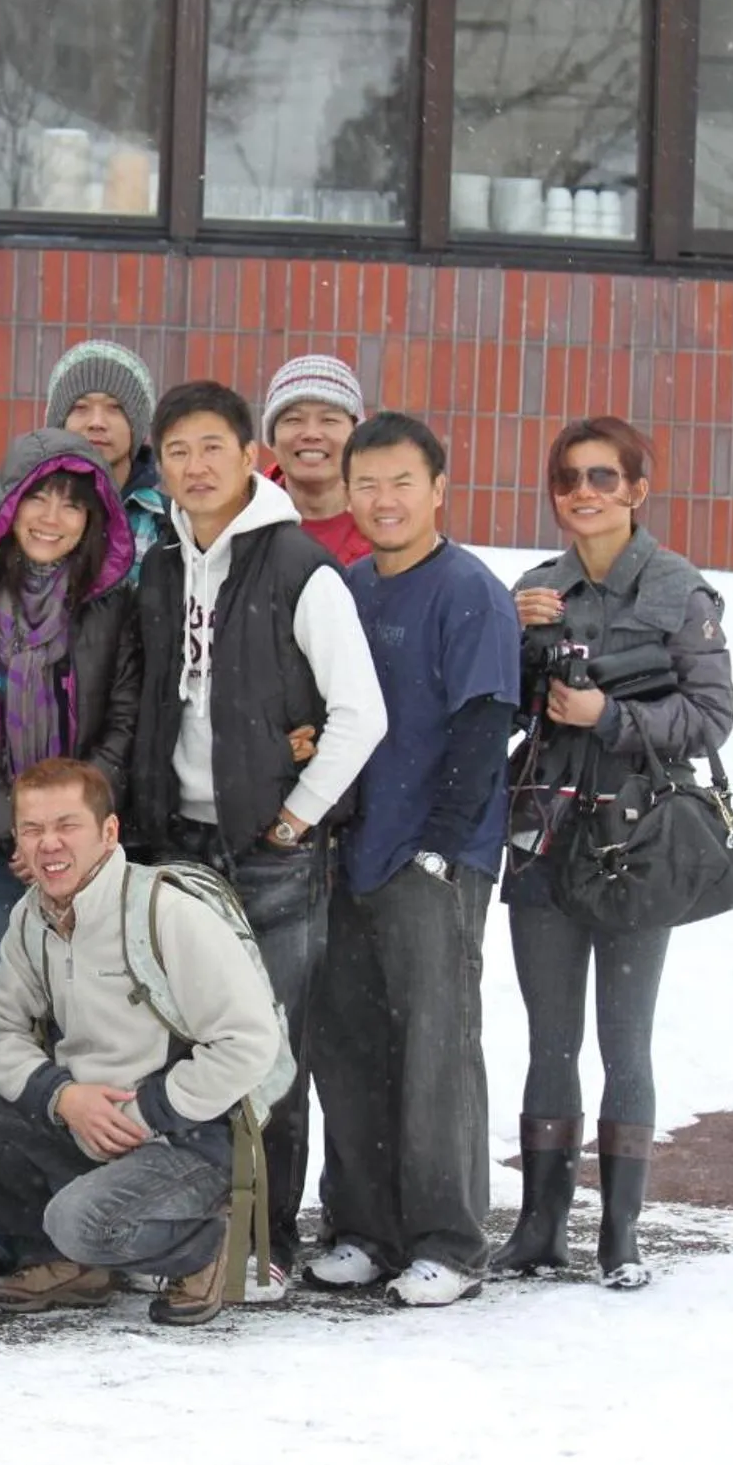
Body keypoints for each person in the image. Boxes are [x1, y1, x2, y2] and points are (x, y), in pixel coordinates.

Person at [127, 379, 387, 1301]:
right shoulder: (160, 568)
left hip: (273, 850)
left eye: (211, 448)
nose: (194, 468)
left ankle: (265, 1240)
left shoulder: (298, 566)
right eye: (176, 453)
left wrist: (298, 813)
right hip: (179, 845)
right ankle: (198, 1235)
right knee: (182, 1047)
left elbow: (361, 713)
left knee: (268, 1052)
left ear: (248, 456)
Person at [493, 416, 733, 1291]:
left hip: (637, 837)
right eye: (568, 479)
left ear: (638, 489)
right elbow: (496, 707)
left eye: (603, 477)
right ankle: (539, 1229)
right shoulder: (534, 588)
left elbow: (710, 719)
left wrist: (614, 719)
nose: (583, 493)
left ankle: (620, 1234)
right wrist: (505, 635)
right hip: (545, 836)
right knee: (548, 1042)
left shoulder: (679, 591)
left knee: (625, 1044)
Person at [303, 412, 519, 1308]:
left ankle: (447, 1239)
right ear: (347, 494)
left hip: (432, 858)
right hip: (351, 852)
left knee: (435, 1049)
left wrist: (438, 846)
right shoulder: (349, 584)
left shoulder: (468, 590)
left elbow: (483, 726)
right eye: (368, 484)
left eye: (402, 482)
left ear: (437, 489)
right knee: (348, 1048)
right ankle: (363, 1228)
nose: (384, 500)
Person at [0, 759, 282, 1326]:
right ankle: (71, 1264)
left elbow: (249, 1041)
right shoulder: (33, 918)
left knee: (81, 1221)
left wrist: (150, 1109)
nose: (47, 844)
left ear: (108, 833)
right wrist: (63, 1097)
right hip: (87, 1121)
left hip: (185, 1137)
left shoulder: (166, 913)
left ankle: (206, 1244)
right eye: (31, 829)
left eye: (66, 825)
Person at [0, 427, 141, 1070]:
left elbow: (122, 720)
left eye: (73, 503)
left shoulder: (110, 602)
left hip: (85, 853)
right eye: (39, 498)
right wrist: (11, 830)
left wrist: (67, 832)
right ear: (9, 502)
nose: (52, 518)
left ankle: (67, 1154)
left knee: (83, 1018)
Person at [43, 338, 170, 583]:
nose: (97, 422)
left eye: (115, 408)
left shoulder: (169, 524)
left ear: (138, 426)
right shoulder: (22, 512)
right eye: (81, 407)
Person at [262, 353, 372, 566]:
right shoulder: (239, 522)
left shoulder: (386, 523)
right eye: (294, 419)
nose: (311, 433)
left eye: (329, 420)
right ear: (271, 437)